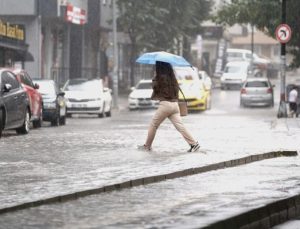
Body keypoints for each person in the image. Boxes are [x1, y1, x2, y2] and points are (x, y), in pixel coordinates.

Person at [138, 61, 200, 152]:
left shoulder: (159, 78)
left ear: (159, 67)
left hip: (165, 105)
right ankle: (194, 144)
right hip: (175, 105)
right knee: (180, 126)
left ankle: (147, 146)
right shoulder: (173, 78)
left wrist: (155, 77)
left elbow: (155, 88)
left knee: (153, 125)